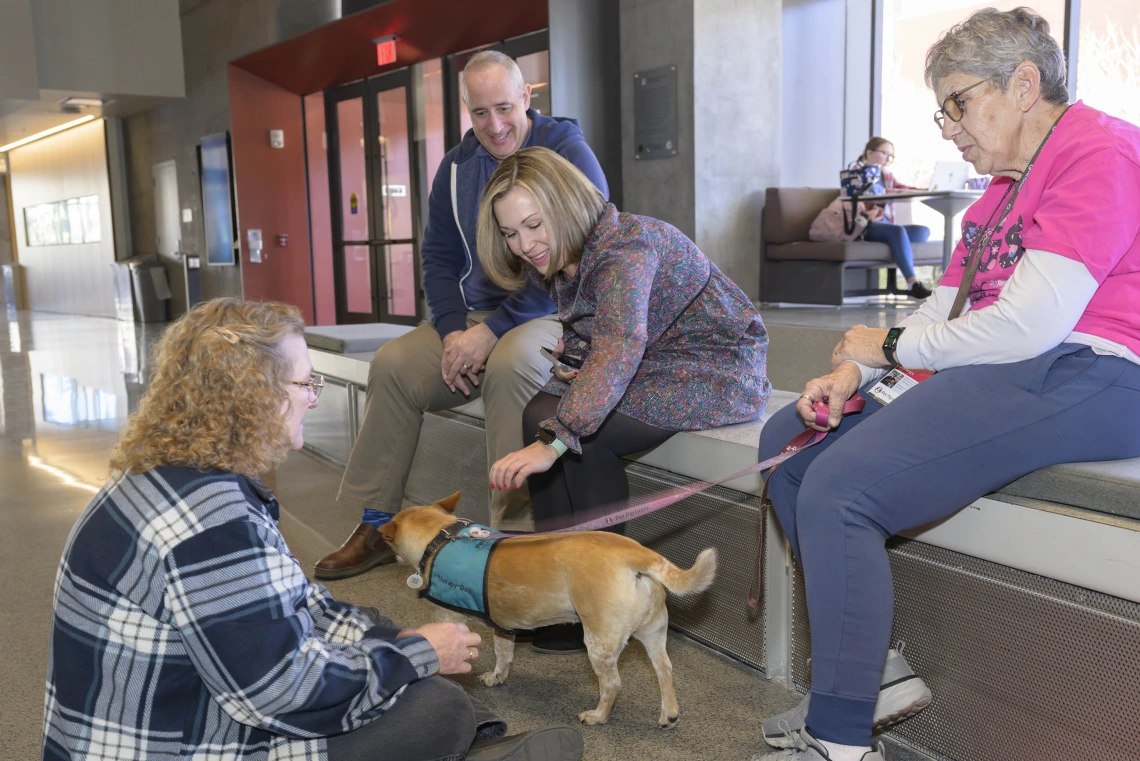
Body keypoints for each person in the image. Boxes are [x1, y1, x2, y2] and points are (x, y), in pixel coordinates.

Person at [752, 8, 1140, 761]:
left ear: (1023, 84)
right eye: (942, 108)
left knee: (843, 486)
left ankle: (839, 742)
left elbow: (1028, 327)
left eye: (957, 102)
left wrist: (889, 341)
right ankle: (873, 678)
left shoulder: (1100, 151)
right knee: (789, 445)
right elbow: (947, 308)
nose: (947, 126)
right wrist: (852, 371)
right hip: (1017, 363)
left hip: (1098, 369)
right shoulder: (999, 190)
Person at [42, 298, 583, 761]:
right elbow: (278, 692)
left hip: (175, 709)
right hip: (178, 741)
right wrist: (417, 654)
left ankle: (472, 742)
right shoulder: (213, 526)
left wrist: (394, 640)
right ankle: (471, 743)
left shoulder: (169, 475)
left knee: (392, 649)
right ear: (255, 394)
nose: (314, 397)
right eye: (306, 381)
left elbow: (294, 607)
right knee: (433, 708)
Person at [315, 51, 609, 580]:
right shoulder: (455, 168)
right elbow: (439, 260)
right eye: (479, 113)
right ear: (466, 111)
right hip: (476, 315)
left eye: (503, 107)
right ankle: (377, 524)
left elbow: (579, 248)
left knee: (511, 362)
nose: (494, 125)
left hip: (555, 308)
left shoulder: (567, 151)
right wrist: (454, 332)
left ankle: (512, 539)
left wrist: (491, 333)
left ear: (526, 97)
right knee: (394, 365)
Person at [479, 147, 771, 653]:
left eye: (533, 225)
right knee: (537, 414)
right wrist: (552, 425)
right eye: (510, 233)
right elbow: (597, 346)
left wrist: (557, 440)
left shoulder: (625, 248)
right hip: (656, 361)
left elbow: (619, 343)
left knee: (582, 440)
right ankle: (561, 598)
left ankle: (603, 599)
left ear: (566, 205)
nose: (524, 245)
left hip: (714, 368)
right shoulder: (570, 253)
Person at [851, 137, 934, 300]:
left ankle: (896, 243)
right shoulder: (856, 172)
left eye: (891, 156)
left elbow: (901, 188)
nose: (888, 159)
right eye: (885, 154)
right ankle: (912, 283)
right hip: (866, 224)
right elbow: (873, 194)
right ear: (869, 153)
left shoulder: (887, 175)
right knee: (898, 231)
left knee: (923, 231)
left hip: (885, 226)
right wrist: (891, 192)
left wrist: (927, 189)